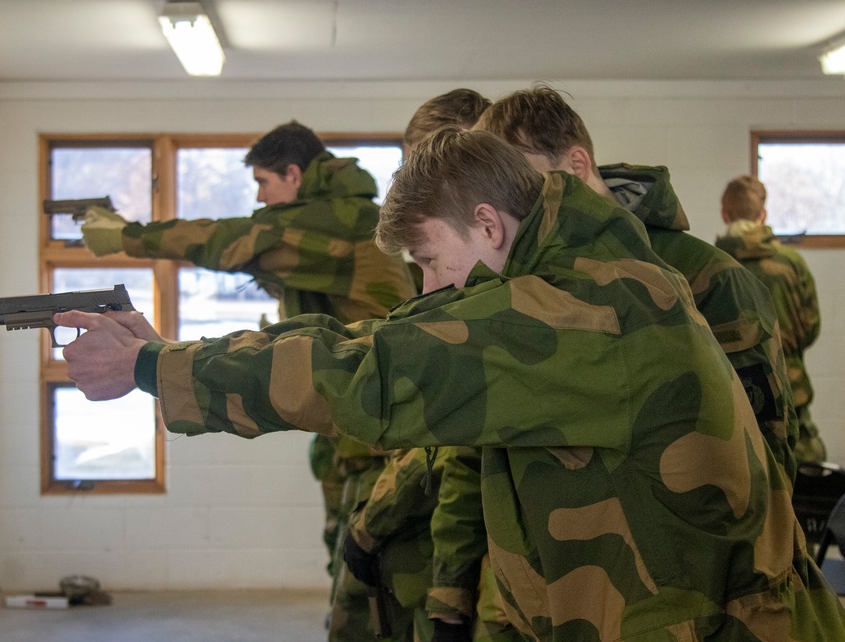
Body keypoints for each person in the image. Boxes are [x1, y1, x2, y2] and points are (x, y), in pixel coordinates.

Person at [56, 128, 845, 640]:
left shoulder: (579, 311)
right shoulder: (590, 275)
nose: (429, 289)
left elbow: (379, 370)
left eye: (434, 259)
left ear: (490, 225)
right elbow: (377, 338)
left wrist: (154, 368)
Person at [80, 120, 417, 589]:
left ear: (294, 175)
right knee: (351, 564)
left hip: (379, 419)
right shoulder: (343, 216)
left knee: (368, 583)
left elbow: (230, 240)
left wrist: (127, 236)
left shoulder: (338, 218)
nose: (259, 198)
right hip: (362, 413)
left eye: (263, 182)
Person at [472, 85, 800, 481]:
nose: (508, 203)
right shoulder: (521, 285)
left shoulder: (708, 278)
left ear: (576, 165)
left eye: (521, 178)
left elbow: (763, 462)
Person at [331, 89, 496, 642]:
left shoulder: (499, 293)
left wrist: (373, 524)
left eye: (426, 164)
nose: (412, 182)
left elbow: (464, 451)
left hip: (450, 539)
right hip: (421, 510)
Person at [717, 175, 825, 463]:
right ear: (763, 214)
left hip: (730, 392)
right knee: (804, 477)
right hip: (788, 386)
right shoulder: (791, 263)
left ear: (724, 213)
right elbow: (811, 329)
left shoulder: (709, 263)